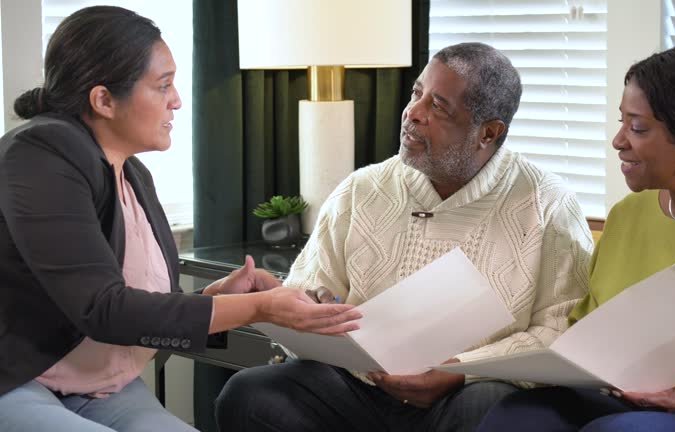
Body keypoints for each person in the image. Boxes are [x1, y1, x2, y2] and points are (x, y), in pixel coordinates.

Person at [0, 6, 361, 432]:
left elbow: (144, 307)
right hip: (20, 379)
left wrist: (224, 297)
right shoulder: (40, 153)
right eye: (163, 86)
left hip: (105, 388)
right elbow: (104, 309)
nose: (178, 100)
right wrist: (256, 307)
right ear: (103, 100)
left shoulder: (131, 172)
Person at [215, 42, 593, 432]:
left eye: (438, 106)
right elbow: (310, 296)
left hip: (466, 392)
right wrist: (297, 304)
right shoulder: (363, 189)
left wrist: (460, 371)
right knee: (250, 395)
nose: (413, 113)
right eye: (416, 93)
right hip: (359, 387)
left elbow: (561, 331)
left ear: (489, 133)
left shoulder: (547, 203)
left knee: (489, 407)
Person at [476, 44, 675, 432]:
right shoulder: (629, 215)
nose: (618, 141)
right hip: (614, 395)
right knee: (513, 416)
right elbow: (586, 324)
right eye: (622, 123)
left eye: (638, 128)